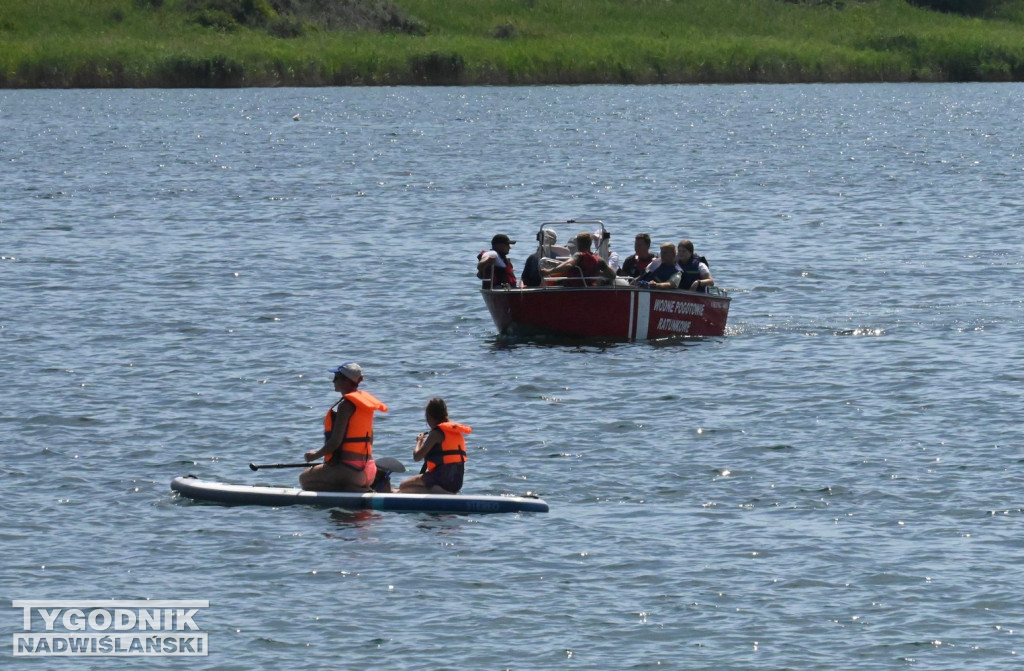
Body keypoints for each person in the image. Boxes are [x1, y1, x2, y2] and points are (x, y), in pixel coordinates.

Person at [300, 363, 388, 492]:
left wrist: (314, 456)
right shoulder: (365, 406)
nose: (333, 381)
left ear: (346, 381)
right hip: (369, 469)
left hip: (351, 471)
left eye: (336, 378)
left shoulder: (346, 406)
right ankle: (359, 487)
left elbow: (335, 442)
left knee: (304, 480)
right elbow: (370, 440)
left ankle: (350, 489)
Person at [398, 397, 470, 495]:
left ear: (430, 416)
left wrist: (419, 441)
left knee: (403, 487)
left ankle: (442, 493)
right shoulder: (455, 432)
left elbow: (417, 457)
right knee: (416, 484)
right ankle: (444, 492)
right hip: (457, 482)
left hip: (441, 480)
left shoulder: (436, 434)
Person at [539, 231, 617, 287]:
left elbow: (568, 265)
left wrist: (548, 271)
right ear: (590, 244)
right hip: (589, 287)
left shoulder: (579, 255)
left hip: (572, 287)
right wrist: (598, 273)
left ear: (578, 244)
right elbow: (612, 275)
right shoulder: (599, 259)